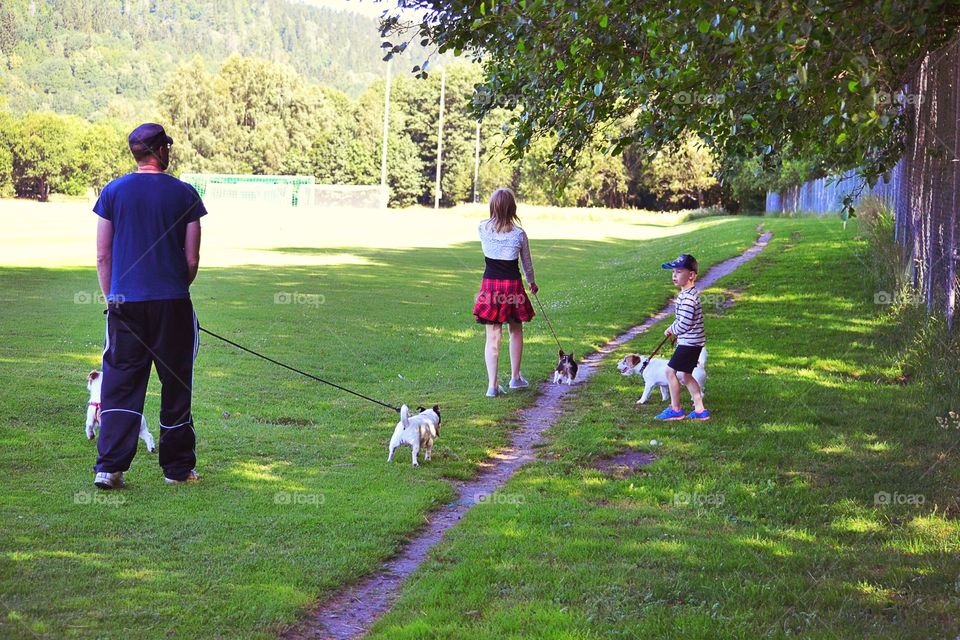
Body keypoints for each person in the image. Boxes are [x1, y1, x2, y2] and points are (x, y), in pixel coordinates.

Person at [92, 123, 207, 489]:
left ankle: (109, 468)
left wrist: (113, 299)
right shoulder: (185, 195)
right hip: (172, 306)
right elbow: (191, 260)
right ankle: (177, 470)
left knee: (121, 384)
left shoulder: (112, 192)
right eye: (167, 147)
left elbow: (102, 255)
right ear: (159, 151)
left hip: (125, 306)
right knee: (176, 386)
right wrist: (170, 289)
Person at [472, 188, 538, 397]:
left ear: (492, 207)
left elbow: (490, 223)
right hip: (512, 287)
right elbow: (527, 264)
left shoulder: (482, 228)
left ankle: (492, 386)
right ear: (513, 208)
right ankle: (515, 378)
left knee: (492, 336)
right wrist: (532, 283)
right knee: (515, 330)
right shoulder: (519, 234)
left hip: (490, 287)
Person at [655, 254, 710, 421]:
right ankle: (700, 410)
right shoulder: (687, 294)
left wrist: (671, 330)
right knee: (685, 375)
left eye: (679, 272)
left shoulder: (688, 298)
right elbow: (682, 320)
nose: (674, 275)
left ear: (691, 275)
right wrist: (673, 328)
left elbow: (684, 324)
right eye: (673, 272)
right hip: (694, 342)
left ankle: (676, 409)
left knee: (670, 371)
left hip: (689, 343)